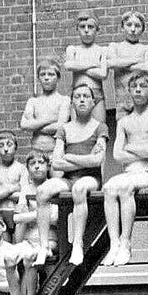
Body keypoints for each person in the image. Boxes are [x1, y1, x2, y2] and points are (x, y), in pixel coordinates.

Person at [36, 82, 108, 266]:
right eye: (77, 96)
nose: (82, 99)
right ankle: (43, 246)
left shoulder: (100, 127)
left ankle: (78, 243)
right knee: (43, 191)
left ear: (93, 102)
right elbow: (57, 163)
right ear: (72, 103)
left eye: (86, 96)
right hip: (67, 178)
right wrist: (80, 158)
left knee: (79, 188)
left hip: (90, 178)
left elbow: (96, 161)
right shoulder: (64, 129)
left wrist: (70, 156)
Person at [102, 70, 148, 267]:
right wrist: (141, 150)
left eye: (143, 87)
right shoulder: (124, 122)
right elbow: (117, 155)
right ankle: (114, 243)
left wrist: (130, 147)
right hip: (130, 172)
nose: (138, 90)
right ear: (129, 90)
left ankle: (127, 242)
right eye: (134, 87)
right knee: (109, 187)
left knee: (124, 187)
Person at [12, 150, 60, 273]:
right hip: (28, 239)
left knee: (31, 258)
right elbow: (16, 218)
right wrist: (42, 214)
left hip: (49, 239)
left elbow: (54, 217)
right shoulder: (26, 189)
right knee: (9, 257)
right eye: (32, 163)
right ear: (28, 168)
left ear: (48, 166)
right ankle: (24, 293)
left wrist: (27, 215)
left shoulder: (54, 186)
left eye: (41, 162)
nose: (37, 166)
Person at [106, 10, 148, 117]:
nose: (133, 29)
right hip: (122, 99)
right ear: (122, 27)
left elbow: (147, 66)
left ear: (142, 30)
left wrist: (122, 63)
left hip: (143, 99)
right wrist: (136, 60)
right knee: (123, 129)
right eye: (129, 25)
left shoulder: (147, 48)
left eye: (137, 26)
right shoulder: (114, 46)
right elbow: (111, 63)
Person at [63, 11, 108, 122]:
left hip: (96, 94)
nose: (86, 30)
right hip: (78, 94)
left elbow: (103, 74)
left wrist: (80, 67)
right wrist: (93, 64)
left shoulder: (102, 50)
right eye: (82, 27)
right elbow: (69, 65)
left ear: (97, 29)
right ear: (77, 29)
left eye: (91, 27)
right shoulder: (73, 49)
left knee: (100, 129)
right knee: (76, 131)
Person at [19, 58, 69, 156]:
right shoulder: (33, 101)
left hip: (56, 151)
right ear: (38, 78)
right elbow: (24, 125)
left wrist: (34, 125)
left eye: (51, 74)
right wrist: (49, 120)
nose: (46, 78)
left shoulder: (64, 100)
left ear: (58, 77)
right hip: (36, 150)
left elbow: (61, 126)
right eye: (43, 74)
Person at [0, 131, 27, 220]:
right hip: (0, 212)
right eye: (1, 145)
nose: (6, 149)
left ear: (16, 147)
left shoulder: (22, 168)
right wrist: (13, 189)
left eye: (9, 144)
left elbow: (24, 195)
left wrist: (0, 190)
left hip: (19, 213)